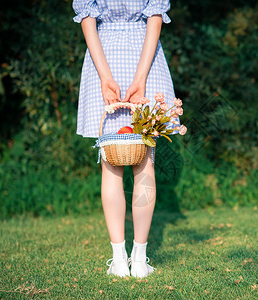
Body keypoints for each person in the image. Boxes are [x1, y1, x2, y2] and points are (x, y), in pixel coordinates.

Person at [72, 0, 181, 278]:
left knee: (111, 164)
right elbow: (155, 18)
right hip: (144, 53)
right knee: (144, 164)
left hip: (103, 54)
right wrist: (141, 77)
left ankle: (120, 259)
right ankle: (139, 259)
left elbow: (87, 19)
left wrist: (105, 76)